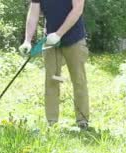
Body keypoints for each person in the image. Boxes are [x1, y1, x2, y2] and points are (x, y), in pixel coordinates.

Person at [19, 0, 89, 129]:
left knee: (79, 80)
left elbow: (77, 9)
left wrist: (59, 34)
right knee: (52, 79)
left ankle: (82, 121)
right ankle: (52, 122)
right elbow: (33, 13)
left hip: (74, 39)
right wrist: (28, 40)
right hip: (50, 41)